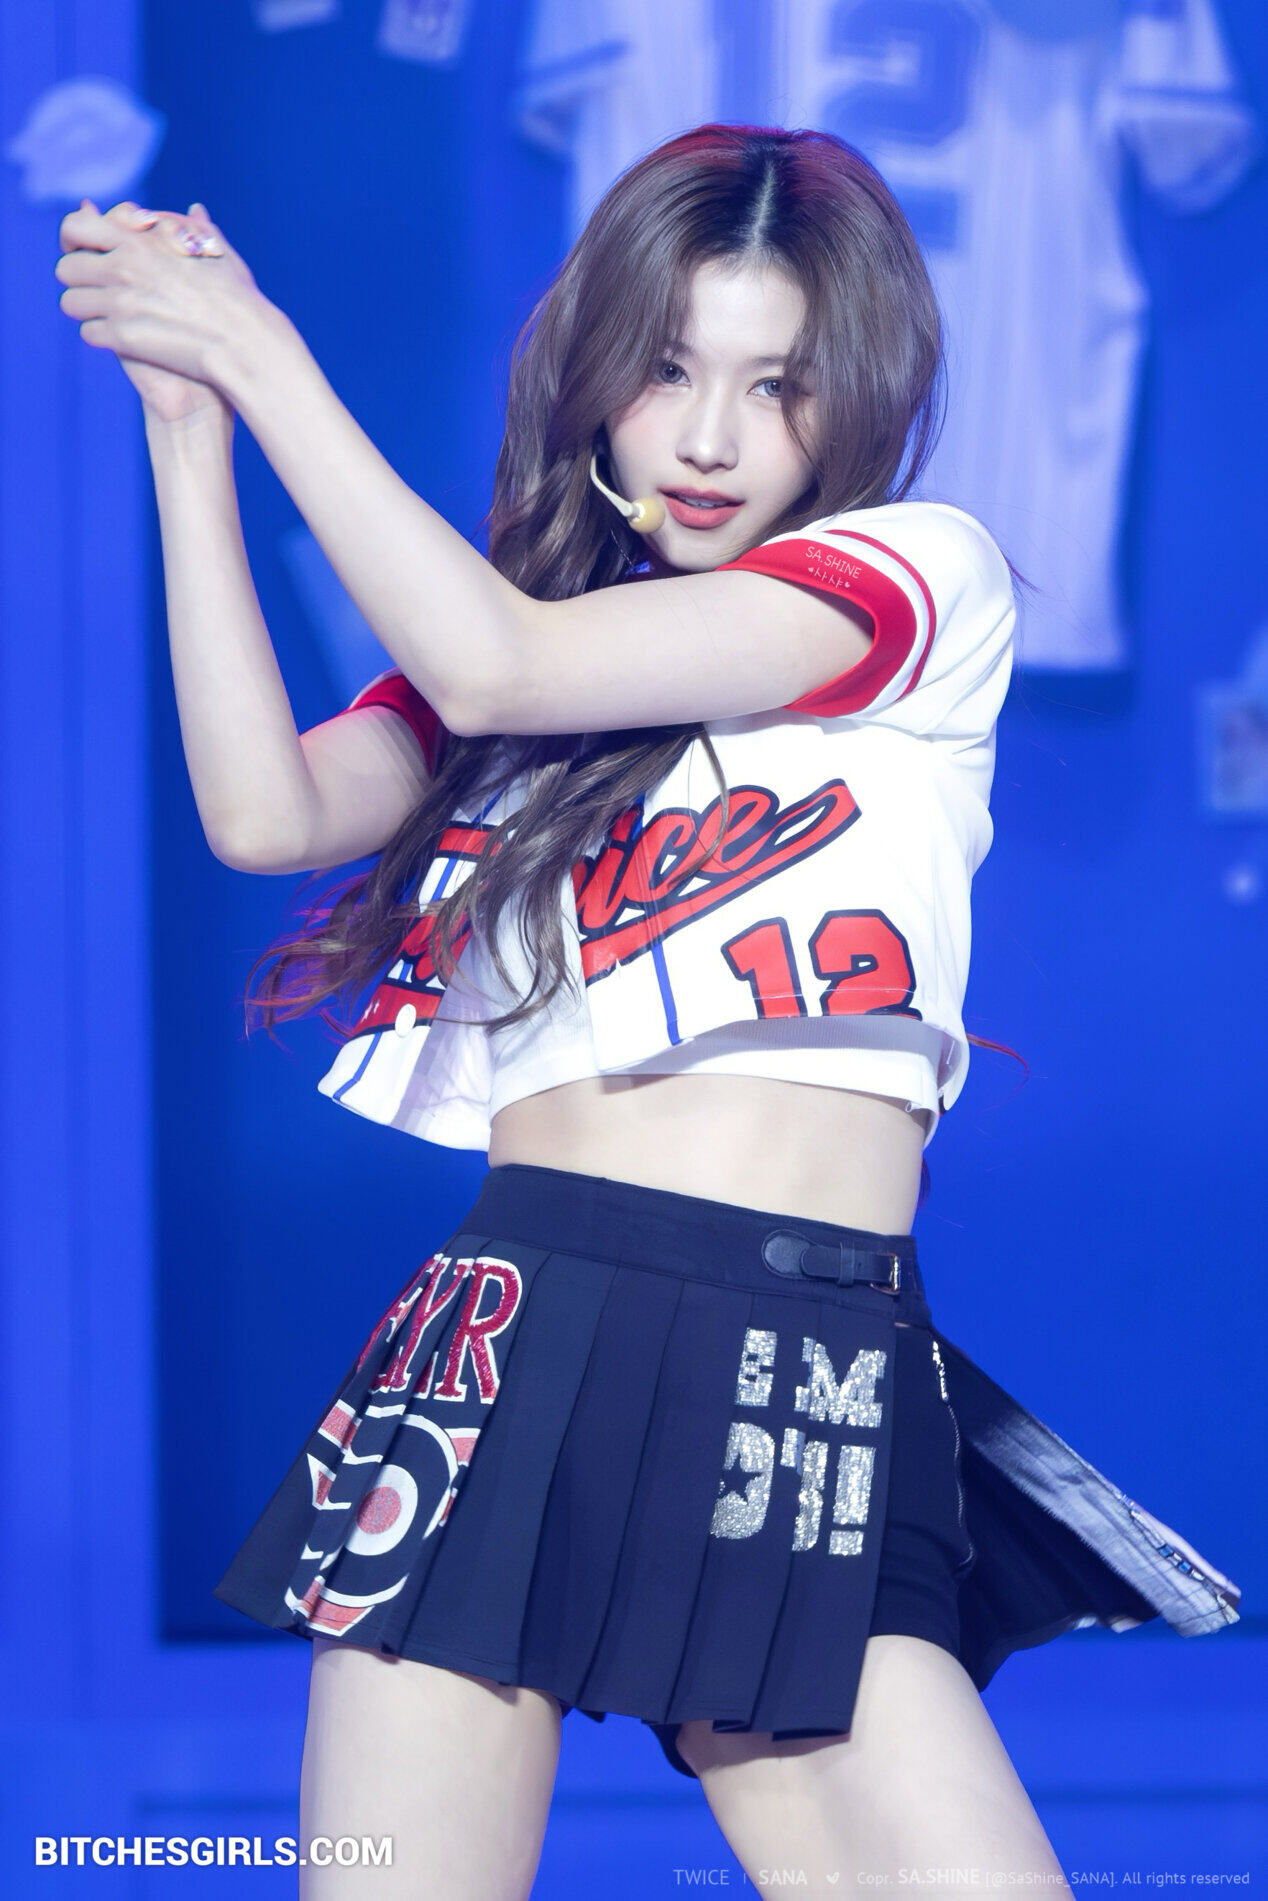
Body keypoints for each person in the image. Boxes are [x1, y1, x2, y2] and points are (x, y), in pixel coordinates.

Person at [57, 125, 1240, 1899]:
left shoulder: (916, 581)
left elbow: (490, 663)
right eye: (670, 368)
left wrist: (263, 350)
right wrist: (188, 426)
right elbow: (263, 810)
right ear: (600, 367)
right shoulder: (540, 651)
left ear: (854, 400)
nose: (707, 438)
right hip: (506, 1332)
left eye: (776, 385)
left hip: (797, 1355)